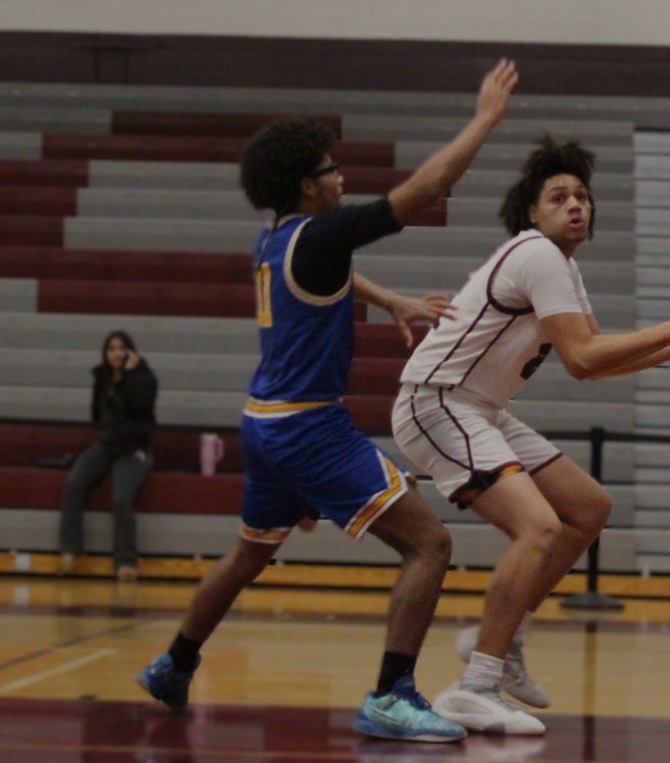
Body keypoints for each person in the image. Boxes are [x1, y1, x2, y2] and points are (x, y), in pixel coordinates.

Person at [136, 59, 519, 743]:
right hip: (309, 428)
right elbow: (427, 189)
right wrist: (485, 118)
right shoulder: (323, 234)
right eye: (329, 168)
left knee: (248, 555)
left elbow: (332, 272)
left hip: (263, 421)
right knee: (429, 543)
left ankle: (174, 662)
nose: (341, 176)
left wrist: (390, 299)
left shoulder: (276, 240)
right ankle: (390, 693)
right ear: (303, 185)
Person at [391, 136, 670, 735]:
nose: (576, 204)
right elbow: (582, 358)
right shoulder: (536, 256)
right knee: (540, 527)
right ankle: (474, 686)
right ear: (533, 210)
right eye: (559, 196)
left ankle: (504, 638)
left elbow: (597, 360)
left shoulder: (564, 268)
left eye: (582, 195)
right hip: (437, 401)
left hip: (481, 408)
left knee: (586, 509)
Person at [59, 330, 158, 583]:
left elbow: (141, 408)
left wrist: (130, 377)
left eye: (120, 348)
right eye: (111, 348)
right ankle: (72, 550)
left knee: (121, 498)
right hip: (106, 445)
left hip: (135, 449)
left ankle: (125, 561)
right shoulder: (101, 377)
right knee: (73, 484)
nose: (116, 353)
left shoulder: (144, 378)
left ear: (130, 351)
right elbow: (96, 413)